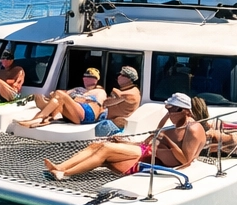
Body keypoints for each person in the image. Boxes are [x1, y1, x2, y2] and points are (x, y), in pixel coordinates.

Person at [41, 92, 205, 180]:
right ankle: (60, 166)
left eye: (172, 110)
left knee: (104, 149)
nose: (169, 113)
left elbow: (185, 160)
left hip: (146, 155)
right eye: (167, 109)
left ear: (185, 110)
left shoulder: (193, 128)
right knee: (96, 145)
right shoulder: (175, 124)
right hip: (143, 149)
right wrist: (126, 141)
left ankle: (65, 174)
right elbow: (147, 141)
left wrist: (165, 138)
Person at [19, 67, 107, 128]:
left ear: (96, 80)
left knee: (59, 94)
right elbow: (62, 95)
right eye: (85, 77)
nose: (86, 79)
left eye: (90, 77)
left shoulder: (99, 91)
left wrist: (79, 99)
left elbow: (100, 106)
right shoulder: (78, 89)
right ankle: (45, 117)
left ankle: (40, 117)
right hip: (74, 110)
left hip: (87, 112)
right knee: (47, 97)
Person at [92, 66, 142, 136]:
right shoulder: (126, 90)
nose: (119, 77)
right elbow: (109, 101)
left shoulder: (131, 93)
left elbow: (108, 101)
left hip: (114, 125)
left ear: (129, 78)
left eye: (122, 75)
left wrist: (110, 89)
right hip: (106, 119)